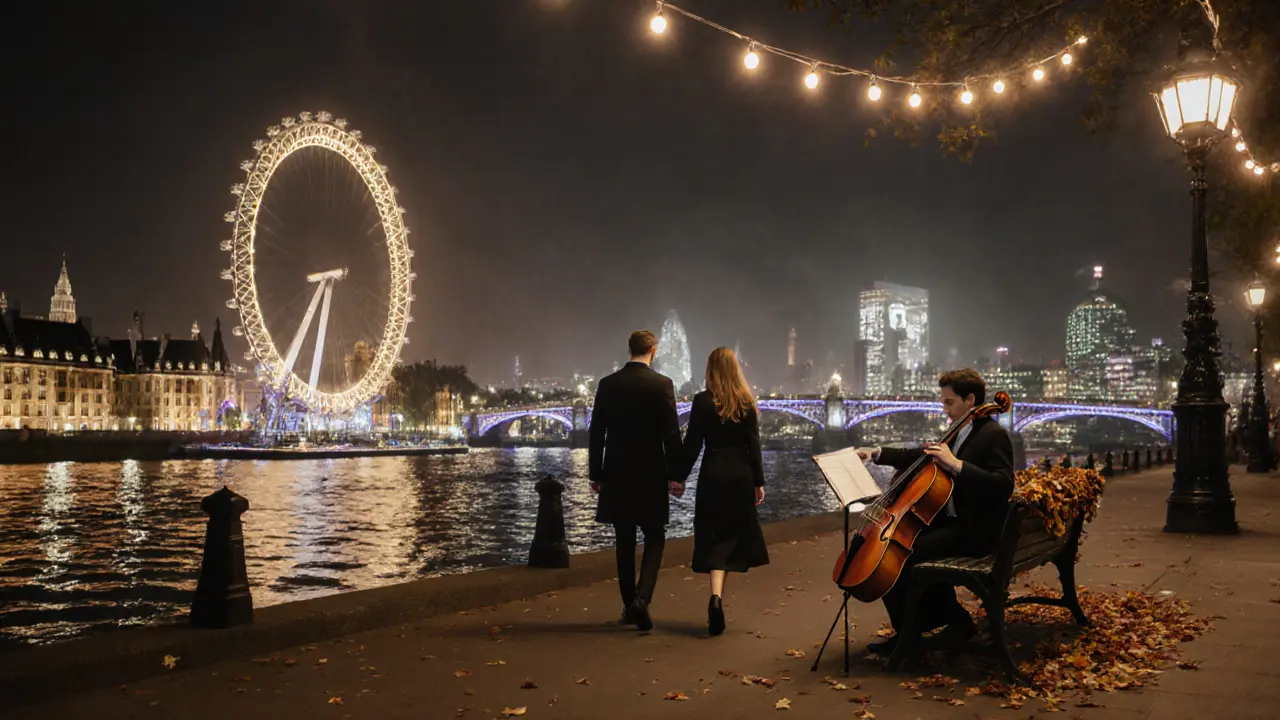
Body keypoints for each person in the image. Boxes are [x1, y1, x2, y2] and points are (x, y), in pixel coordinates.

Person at [856, 367, 1014, 656]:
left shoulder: (993, 434)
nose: (944, 409)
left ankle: (914, 632)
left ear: (970, 399)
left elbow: (1003, 484)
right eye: (943, 401)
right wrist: (878, 452)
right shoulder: (959, 429)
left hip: (975, 532)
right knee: (893, 548)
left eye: (949, 402)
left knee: (901, 555)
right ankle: (925, 627)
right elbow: (921, 454)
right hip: (953, 523)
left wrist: (956, 465)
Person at [589, 330, 683, 631]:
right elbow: (671, 434)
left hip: (617, 472)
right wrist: (676, 474)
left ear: (629, 350)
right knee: (655, 535)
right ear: (653, 351)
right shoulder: (662, 385)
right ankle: (643, 598)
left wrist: (596, 473)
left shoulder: (608, 384)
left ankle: (629, 604)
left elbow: (596, 433)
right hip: (652, 473)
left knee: (624, 538)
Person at [676, 347, 770, 636]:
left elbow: (692, 444)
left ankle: (716, 598)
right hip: (740, 475)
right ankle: (717, 599)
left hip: (713, 473)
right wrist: (758, 481)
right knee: (731, 538)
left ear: (710, 370)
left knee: (714, 537)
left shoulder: (703, 401)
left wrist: (677, 477)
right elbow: (753, 446)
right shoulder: (746, 402)